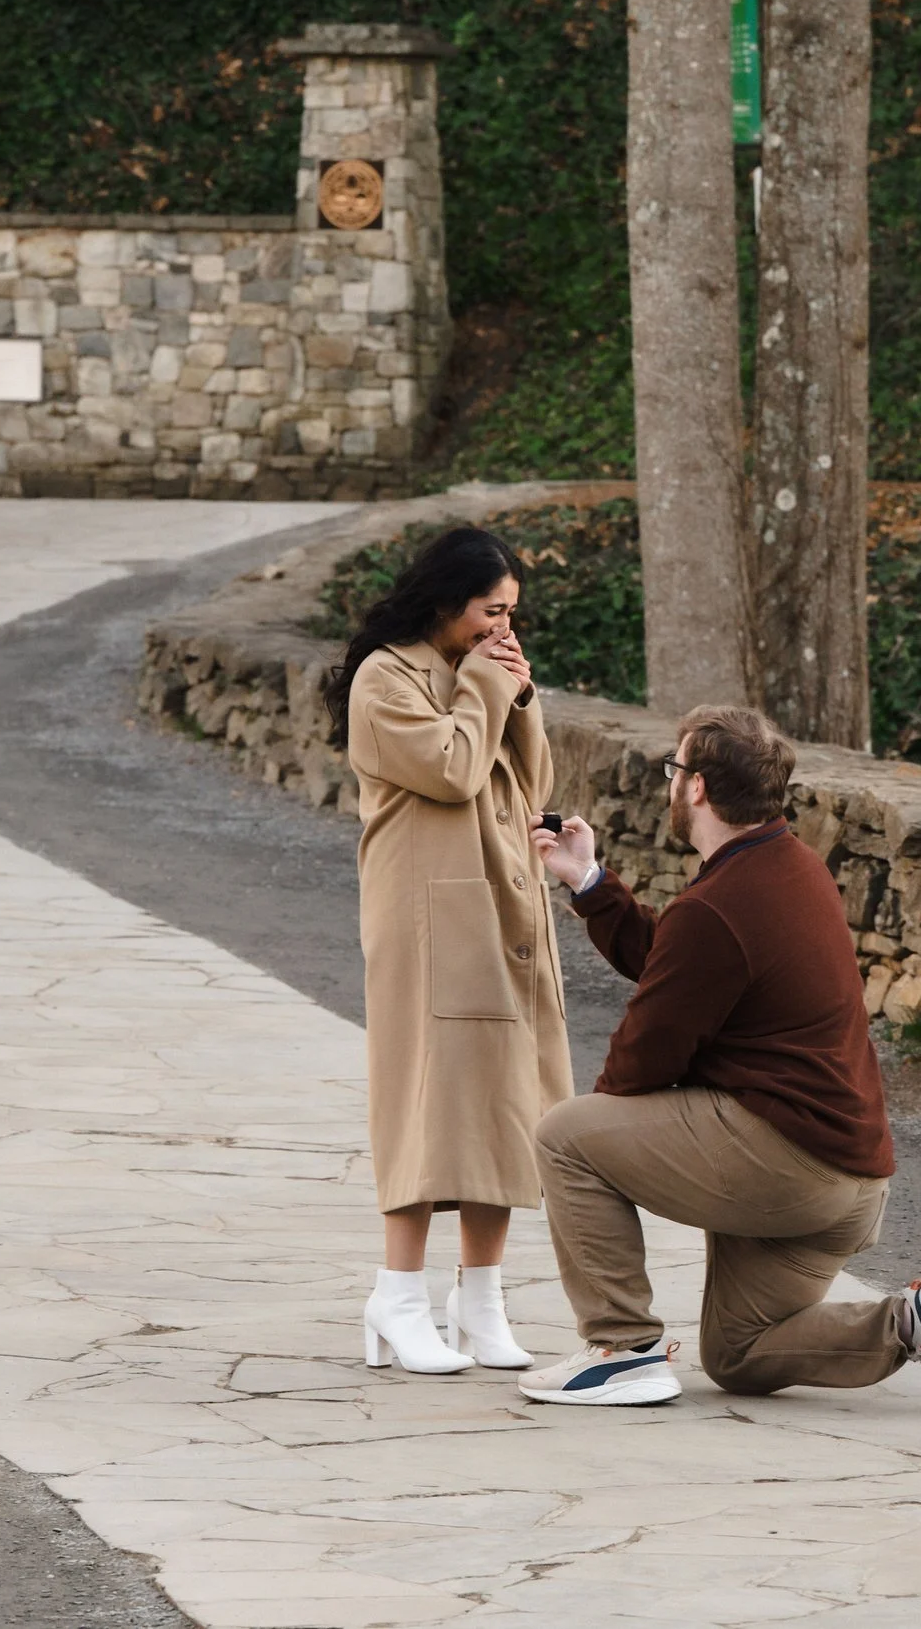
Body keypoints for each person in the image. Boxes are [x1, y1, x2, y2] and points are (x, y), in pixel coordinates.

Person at [522, 704, 921, 1411]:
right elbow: (682, 963)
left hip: (791, 1168)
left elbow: (636, 1065)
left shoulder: (720, 903)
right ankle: (916, 1318)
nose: (669, 783)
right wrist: (591, 882)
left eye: (673, 768)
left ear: (695, 787)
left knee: (567, 1136)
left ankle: (620, 1348)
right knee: (739, 1351)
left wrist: (610, 1148)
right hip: (850, 1181)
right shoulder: (791, 866)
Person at [328, 526, 572, 1375]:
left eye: (512, 615)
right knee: (426, 1096)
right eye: (489, 612)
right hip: (426, 917)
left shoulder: (485, 674)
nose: (503, 630)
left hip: (501, 906)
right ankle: (397, 1298)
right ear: (444, 602)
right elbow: (457, 769)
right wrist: (485, 686)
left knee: (504, 1100)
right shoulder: (384, 678)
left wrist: (519, 693)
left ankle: (482, 1300)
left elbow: (529, 786)